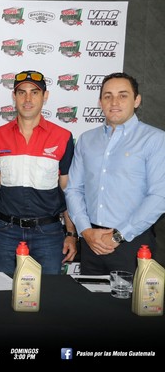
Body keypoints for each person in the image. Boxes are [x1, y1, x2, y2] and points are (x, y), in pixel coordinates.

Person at [65, 72, 165, 275]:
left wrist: (119, 235)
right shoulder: (86, 140)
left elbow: (159, 196)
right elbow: (73, 189)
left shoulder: (155, 139)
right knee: (89, 296)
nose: (114, 102)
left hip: (133, 243)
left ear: (137, 100)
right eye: (108, 96)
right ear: (100, 102)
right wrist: (85, 231)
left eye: (123, 95)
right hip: (91, 243)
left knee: (132, 297)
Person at [0, 70, 77, 275]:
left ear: (45, 96)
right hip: (7, 232)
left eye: (34, 93)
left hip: (48, 233)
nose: (28, 99)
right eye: (22, 93)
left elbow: (68, 189)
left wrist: (71, 233)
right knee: (2, 290)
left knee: (49, 291)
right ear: (14, 97)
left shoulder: (63, 137)